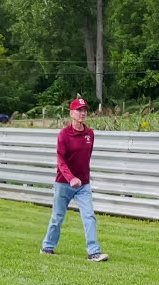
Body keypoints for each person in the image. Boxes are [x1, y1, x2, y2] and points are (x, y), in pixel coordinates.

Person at [40, 96, 108, 262]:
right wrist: (70, 178)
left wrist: (82, 179)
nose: (83, 113)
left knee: (89, 216)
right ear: (71, 113)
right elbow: (61, 160)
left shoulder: (90, 134)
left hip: (83, 185)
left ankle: (94, 252)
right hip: (63, 184)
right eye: (79, 110)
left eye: (85, 110)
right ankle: (47, 247)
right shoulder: (64, 135)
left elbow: (86, 158)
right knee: (57, 217)